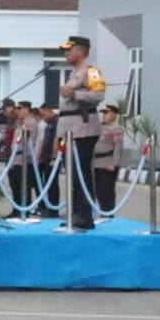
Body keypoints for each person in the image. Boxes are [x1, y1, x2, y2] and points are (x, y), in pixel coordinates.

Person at [54, 36, 107, 231]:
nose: (66, 53)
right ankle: (75, 212)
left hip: (83, 129)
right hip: (70, 129)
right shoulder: (74, 73)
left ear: (81, 51)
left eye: (70, 49)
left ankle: (84, 215)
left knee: (81, 173)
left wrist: (74, 94)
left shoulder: (91, 71)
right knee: (72, 174)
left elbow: (99, 95)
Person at [93, 103, 125, 219]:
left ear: (114, 115)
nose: (104, 115)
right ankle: (102, 211)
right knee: (97, 189)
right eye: (103, 113)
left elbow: (118, 147)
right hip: (96, 162)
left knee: (106, 189)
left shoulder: (116, 129)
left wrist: (114, 163)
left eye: (107, 113)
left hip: (107, 163)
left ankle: (108, 212)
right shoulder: (99, 127)